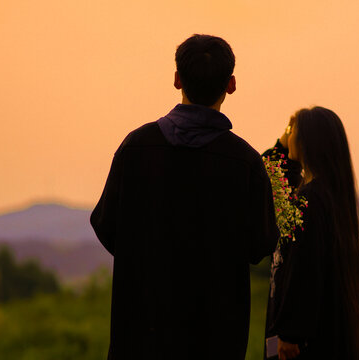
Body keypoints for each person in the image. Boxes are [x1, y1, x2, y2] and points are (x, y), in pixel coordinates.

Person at [91, 34, 279, 360]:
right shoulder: (245, 163)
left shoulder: (135, 148)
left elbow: (106, 226)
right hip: (216, 337)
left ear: (177, 79)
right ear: (231, 84)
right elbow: (261, 245)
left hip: (139, 334)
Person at [265, 107, 359, 360]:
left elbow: (304, 266)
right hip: (310, 337)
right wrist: (281, 142)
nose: (289, 134)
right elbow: (273, 176)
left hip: (298, 345)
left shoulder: (310, 200)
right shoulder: (324, 196)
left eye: (294, 130)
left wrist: (291, 333)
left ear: (308, 140)